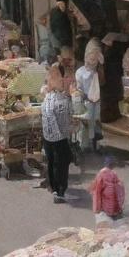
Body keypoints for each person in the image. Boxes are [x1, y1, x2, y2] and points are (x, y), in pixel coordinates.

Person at [40, 64, 73, 203]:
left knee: (53, 163)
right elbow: (53, 117)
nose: (66, 81)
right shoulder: (56, 99)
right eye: (63, 79)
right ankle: (59, 191)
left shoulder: (53, 96)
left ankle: (55, 188)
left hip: (51, 138)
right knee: (61, 164)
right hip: (58, 138)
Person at [74, 50, 102, 153]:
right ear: (86, 59)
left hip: (96, 101)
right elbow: (78, 88)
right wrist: (85, 97)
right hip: (86, 101)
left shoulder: (97, 71)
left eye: (95, 60)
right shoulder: (80, 72)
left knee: (95, 123)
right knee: (85, 124)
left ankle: (95, 145)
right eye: (91, 59)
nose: (93, 61)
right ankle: (83, 146)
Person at [91, 155, 126, 222]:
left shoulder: (101, 173)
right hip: (113, 200)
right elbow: (119, 186)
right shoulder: (113, 173)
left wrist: (96, 208)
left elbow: (97, 190)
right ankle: (113, 213)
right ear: (112, 165)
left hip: (106, 199)